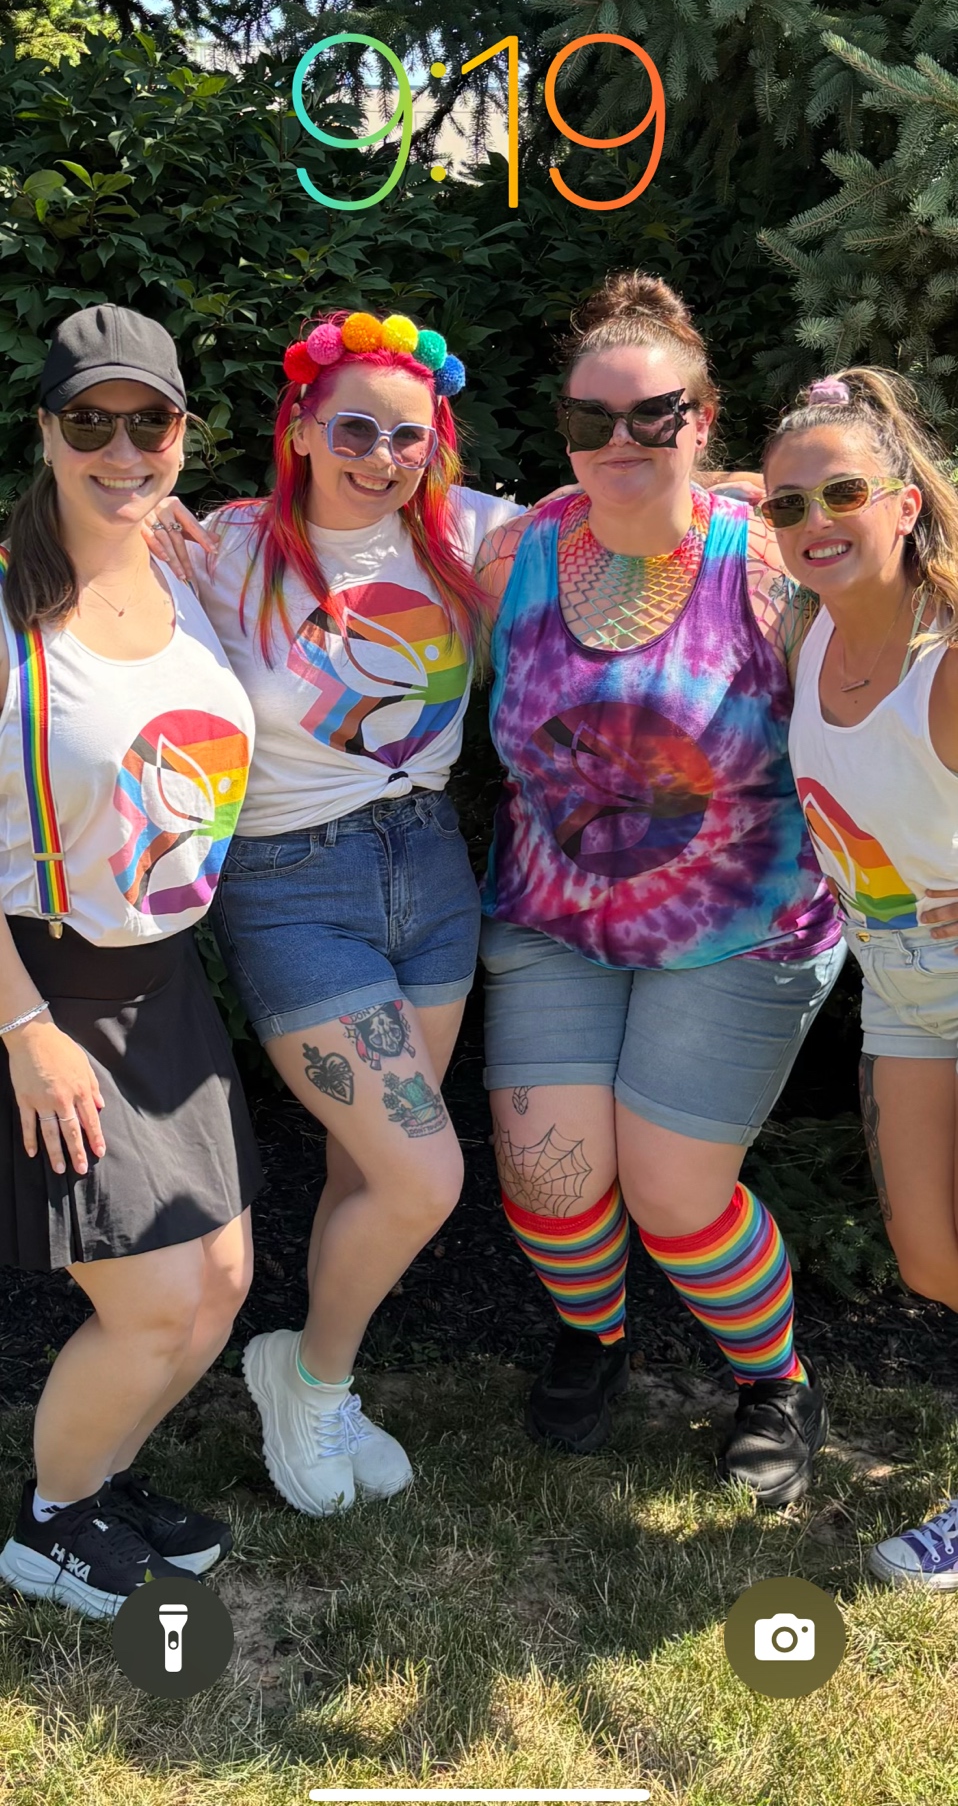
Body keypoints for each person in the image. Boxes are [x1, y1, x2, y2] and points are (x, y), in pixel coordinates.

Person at [474, 272, 846, 1506]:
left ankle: (774, 1379)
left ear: (702, 419)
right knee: (550, 1177)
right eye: (592, 418)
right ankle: (597, 1337)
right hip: (554, 918)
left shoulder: (771, 562)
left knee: (676, 1194)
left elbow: (893, 671)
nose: (620, 439)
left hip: (741, 928)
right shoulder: (516, 557)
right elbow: (357, 549)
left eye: (653, 414)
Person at [147, 309, 523, 1516]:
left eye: (409, 436)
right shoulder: (224, 546)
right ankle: (304, 1375)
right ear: (301, 428)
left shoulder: (465, 533)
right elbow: (75, 579)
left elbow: (627, 516)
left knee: (370, 1163)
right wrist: (122, 516)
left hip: (431, 868)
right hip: (291, 884)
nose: (382, 455)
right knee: (421, 1174)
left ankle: (325, 1381)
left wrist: (744, 493)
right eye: (354, 428)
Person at [0, 304, 259, 1618]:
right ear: (46, 432)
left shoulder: (185, 572)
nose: (120, 449)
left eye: (146, 421)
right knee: (154, 1300)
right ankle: (48, 1527)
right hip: (50, 996)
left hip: (166, 982)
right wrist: (22, 1031)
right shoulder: (7, 608)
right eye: (88, 422)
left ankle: (97, 1481)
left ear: (181, 432)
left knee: (218, 1283)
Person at [761, 366, 958, 1579]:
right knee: (929, 1253)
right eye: (788, 504)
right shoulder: (810, 625)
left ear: (904, 503)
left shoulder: (945, 664)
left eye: (842, 493)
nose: (813, 520)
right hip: (901, 990)